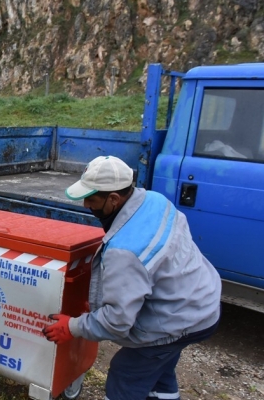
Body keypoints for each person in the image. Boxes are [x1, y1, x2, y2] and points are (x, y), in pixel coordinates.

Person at [44, 155, 221, 400]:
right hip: (202, 300)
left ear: (114, 199)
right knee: (158, 366)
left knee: (126, 375)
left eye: (91, 199)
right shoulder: (155, 200)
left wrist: (72, 327)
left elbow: (117, 321)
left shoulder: (125, 250)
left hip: (183, 317)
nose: (86, 205)